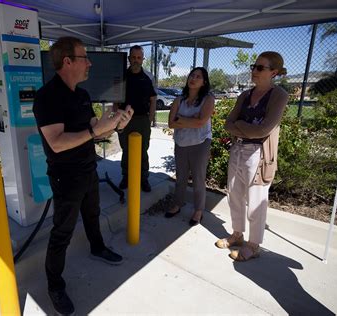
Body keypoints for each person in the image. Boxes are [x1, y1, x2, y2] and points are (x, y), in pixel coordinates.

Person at [33, 36, 133, 315]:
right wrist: (94, 132)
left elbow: (94, 127)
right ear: (67, 61)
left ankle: (97, 247)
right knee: (62, 232)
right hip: (65, 176)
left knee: (92, 213)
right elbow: (56, 142)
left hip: (88, 168)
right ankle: (55, 285)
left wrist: (116, 125)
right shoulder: (46, 97)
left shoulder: (82, 94)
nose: (90, 62)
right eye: (84, 57)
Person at [216, 51, 288, 261]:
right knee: (234, 194)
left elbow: (263, 130)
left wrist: (240, 126)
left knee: (256, 200)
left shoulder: (279, 95)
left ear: (273, 72)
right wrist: (243, 128)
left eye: (260, 68)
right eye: (253, 67)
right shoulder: (244, 95)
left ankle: (254, 244)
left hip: (259, 154)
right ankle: (237, 234)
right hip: (238, 150)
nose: (254, 71)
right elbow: (229, 124)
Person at [164, 67, 214, 226]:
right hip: (181, 143)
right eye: (192, 75)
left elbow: (201, 122)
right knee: (181, 177)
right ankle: (177, 204)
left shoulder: (208, 99)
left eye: (198, 77)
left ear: (204, 82)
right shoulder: (179, 99)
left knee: (199, 178)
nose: (193, 78)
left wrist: (182, 119)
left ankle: (198, 210)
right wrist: (191, 119)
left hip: (200, 143)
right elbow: (171, 123)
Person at [114, 45, 157, 192]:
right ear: (129, 58)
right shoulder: (121, 77)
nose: (136, 60)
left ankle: (143, 179)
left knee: (143, 150)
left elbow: (153, 99)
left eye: (139, 57)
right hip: (124, 120)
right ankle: (126, 177)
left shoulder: (147, 78)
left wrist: (150, 119)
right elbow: (115, 101)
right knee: (126, 150)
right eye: (133, 57)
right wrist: (116, 120)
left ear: (142, 59)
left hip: (142, 120)